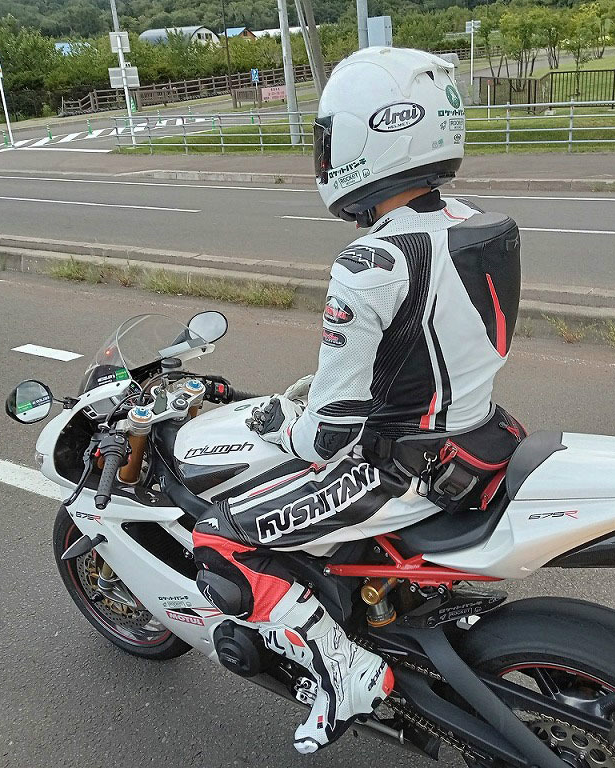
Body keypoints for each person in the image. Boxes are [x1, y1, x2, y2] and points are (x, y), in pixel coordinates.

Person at [191, 46, 523, 754]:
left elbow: (328, 436)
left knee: (219, 537)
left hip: (398, 469)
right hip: (481, 437)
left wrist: (278, 424)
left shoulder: (371, 262)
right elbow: (431, 345)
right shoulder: (483, 224)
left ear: (369, 136)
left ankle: (347, 675)